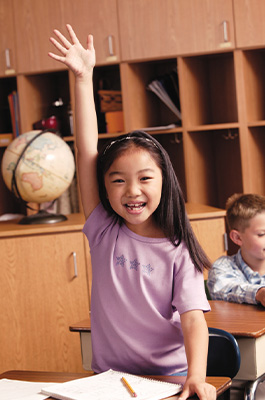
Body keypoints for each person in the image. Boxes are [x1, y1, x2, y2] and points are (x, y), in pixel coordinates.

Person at [49, 24, 216, 400]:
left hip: (167, 379)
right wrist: (83, 78)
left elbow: (193, 319)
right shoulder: (103, 229)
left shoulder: (178, 249)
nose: (132, 191)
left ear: (164, 181)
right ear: (105, 187)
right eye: (118, 180)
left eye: (144, 178)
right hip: (108, 378)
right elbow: (86, 151)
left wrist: (196, 375)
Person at [207, 193, 265, 306]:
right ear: (237, 238)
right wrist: (259, 293)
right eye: (262, 234)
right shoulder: (222, 267)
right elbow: (225, 287)